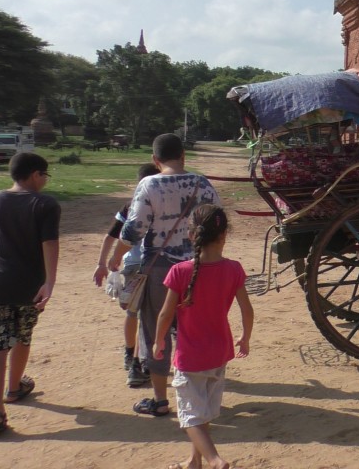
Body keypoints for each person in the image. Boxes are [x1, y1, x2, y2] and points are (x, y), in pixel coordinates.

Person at [112, 133, 220, 417]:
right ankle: (200, 394)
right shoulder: (203, 184)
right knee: (194, 330)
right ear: (183, 155)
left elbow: (133, 230)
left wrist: (113, 257)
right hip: (198, 266)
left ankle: (160, 400)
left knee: (154, 331)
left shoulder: (149, 184)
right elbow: (218, 224)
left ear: (155, 160)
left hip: (161, 268)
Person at [0, 152, 60, 436]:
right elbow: (50, 244)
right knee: (22, 335)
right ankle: (15, 387)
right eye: (44, 175)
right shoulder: (45, 203)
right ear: (35, 175)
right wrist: (50, 283)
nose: (44, 181)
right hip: (29, 286)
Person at [154, 204, 253, 469]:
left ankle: (214, 460)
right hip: (219, 354)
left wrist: (158, 340)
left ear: (191, 235)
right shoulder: (234, 269)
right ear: (224, 237)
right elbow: (247, 309)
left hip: (190, 357)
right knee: (203, 411)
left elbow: (165, 315)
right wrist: (245, 337)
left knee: (190, 417)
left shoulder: (180, 271)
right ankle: (194, 460)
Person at [92, 163, 160, 387]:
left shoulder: (130, 206)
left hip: (132, 267)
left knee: (133, 314)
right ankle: (143, 363)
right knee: (152, 318)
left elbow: (110, 236)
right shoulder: (166, 203)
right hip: (157, 266)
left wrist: (103, 263)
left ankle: (130, 355)